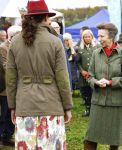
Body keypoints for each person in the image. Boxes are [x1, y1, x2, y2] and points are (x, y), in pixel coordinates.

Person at [6, 0, 73, 149]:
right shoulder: (55, 41)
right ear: (46, 18)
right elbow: (63, 78)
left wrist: (12, 106)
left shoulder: (15, 42)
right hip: (51, 105)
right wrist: (67, 106)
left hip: (24, 105)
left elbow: (10, 79)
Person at [84, 23, 122, 150]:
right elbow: (89, 77)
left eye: (102, 36)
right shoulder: (95, 54)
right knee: (90, 139)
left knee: (113, 141)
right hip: (97, 102)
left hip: (115, 103)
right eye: (98, 36)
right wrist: (95, 82)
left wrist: (110, 82)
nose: (99, 39)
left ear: (111, 36)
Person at [0, 25, 21, 146]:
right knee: (5, 114)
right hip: (5, 88)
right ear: (12, 36)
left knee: (11, 113)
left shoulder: (19, 46)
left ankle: (7, 136)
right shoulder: (3, 48)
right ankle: (3, 137)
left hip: (15, 86)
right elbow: (6, 67)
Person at [76, 29, 99, 117]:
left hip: (94, 74)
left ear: (92, 37)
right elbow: (77, 62)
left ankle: (95, 110)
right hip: (83, 75)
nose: (87, 38)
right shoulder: (79, 48)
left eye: (89, 36)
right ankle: (88, 109)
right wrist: (81, 71)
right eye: (85, 37)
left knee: (94, 91)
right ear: (83, 38)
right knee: (85, 92)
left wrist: (93, 72)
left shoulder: (97, 47)